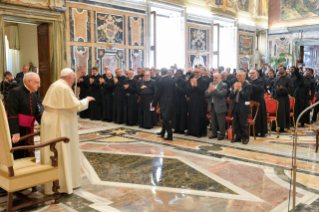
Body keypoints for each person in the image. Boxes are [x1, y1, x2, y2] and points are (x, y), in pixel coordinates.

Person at [40, 68, 95, 195]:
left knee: (52, 150)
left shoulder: (55, 84)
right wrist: (86, 99)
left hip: (51, 120)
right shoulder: (64, 88)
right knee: (61, 150)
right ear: (70, 78)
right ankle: (63, 184)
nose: (73, 81)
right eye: (73, 79)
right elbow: (75, 105)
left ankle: (51, 183)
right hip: (60, 123)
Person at [7, 72, 42, 159]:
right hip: (18, 129)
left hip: (28, 130)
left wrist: (47, 124)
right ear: (29, 81)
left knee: (27, 153)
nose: (39, 85)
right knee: (17, 153)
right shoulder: (15, 92)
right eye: (37, 82)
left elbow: (37, 114)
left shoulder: (33, 95)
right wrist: (15, 132)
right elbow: (12, 113)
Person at [229, 70, 252, 144]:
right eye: (237, 75)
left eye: (240, 75)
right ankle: (238, 137)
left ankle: (244, 138)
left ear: (244, 76)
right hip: (235, 105)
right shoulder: (234, 84)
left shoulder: (248, 85)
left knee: (243, 123)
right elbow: (230, 97)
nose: (238, 77)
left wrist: (240, 89)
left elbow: (246, 96)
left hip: (244, 107)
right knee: (236, 123)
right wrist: (234, 90)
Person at [153, 68, 176, 140]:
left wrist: (154, 103)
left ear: (161, 73)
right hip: (171, 101)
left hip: (164, 101)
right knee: (165, 117)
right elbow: (175, 92)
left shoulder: (161, 81)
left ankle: (170, 135)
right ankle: (163, 132)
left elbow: (158, 93)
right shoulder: (172, 81)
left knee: (165, 118)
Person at [205, 73, 228, 140]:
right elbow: (206, 94)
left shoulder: (224, 85)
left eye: (216, 78)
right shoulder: (211, 84)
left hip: (220, 106)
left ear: (220, 78)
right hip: (212, 105)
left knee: (221, 121)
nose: (214, 79)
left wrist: (214, 89)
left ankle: (222, 134)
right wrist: (209, 91)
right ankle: (214, 133)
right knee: (213, 121)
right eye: (214, 78)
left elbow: (222, 94)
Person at [186, 68, 208, 137]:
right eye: (195, 72)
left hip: (200, 101)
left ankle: (199, 132)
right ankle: (191, 131)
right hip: (192, 101)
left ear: (200, 72)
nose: (196, 73)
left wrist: (196, 86)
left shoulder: (204, 80)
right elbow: (187, 90)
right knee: (192, 116)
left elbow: (203, 91)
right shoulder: (191, 80)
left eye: (197, 72)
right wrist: (192, 86)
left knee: (199, 116)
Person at [272, 66, 294, 132]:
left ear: (284, 70)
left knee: (282, 113)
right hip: (276, 97)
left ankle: (282, 127)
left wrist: (282, 88)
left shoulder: (288, 78)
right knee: (275, 112)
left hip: (283, 98)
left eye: (281, 69)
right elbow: (273, 87)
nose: (279, 70)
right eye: (279, 69)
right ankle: (274, 126)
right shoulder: (277, 78)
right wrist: (272, 94)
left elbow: (291, 89)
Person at [250, 70, 268, 137]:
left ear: (257, 74)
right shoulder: (250, 81)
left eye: (253, 73)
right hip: (251, 101)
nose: (252, 74)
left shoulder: (260, 81)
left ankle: (261, 131)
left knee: (259, 117)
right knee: (252, 116)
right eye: (251, 73)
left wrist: (250, 85)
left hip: (259, 101)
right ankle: (252, 131)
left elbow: (259, 89)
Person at [172, 70, 187, 134]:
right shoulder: (174, 81)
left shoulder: (184, 82)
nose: (178, 75)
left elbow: (184, 91)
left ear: (181, 74)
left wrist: (177, 87)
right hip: (175, 100)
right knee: (176, 114)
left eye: (179, 74)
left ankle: (181, 129)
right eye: (177, 74)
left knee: (181, 115)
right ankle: (176, 128)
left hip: (181, 100)